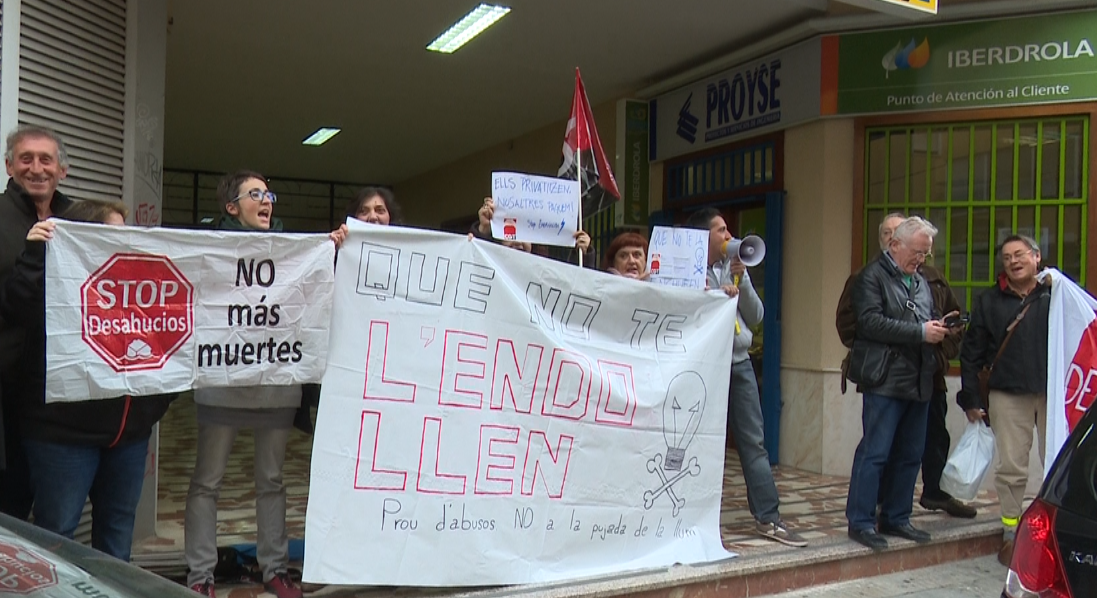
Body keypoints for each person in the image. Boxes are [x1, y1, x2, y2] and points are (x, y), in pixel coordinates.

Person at [185, 171, 346, 598]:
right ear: (232, 207)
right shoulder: (209, 249)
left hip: (276, 383)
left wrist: (331, 246)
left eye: (268, 194)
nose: (266, 201)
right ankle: (200, 575)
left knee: (272, 480)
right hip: (222, 382)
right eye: (255, 194)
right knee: (207, 481)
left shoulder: (294, 251)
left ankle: (274, 568)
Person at [0, 200, 175, 561]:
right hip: (62, 437)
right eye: (109, 234)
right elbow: (16, 308)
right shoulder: (51, 272)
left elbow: (174, 342)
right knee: (56, 535)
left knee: (117, 533)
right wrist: (36, 255)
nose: (121, 242)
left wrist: (154, 405)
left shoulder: (144, 285)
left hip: (128, 434)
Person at [836, 213, 974, 519]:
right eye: (916, 252)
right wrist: (921, 333)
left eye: (925, 253)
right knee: (875, 453)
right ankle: (861, 521)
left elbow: (925, 317)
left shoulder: (923, 280)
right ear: (895, 245)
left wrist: (939, 332)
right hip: (886, 378)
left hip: (921, 378)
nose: (921, 259)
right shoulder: (870, 277)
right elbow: (869, 323)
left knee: (911, 455)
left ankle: (898, 517)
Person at [684, 208, 806, 548]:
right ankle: (690, 517)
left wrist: (741, 280)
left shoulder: (735, 267)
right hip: (702, 364)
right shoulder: (685, 267)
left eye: (728, 230)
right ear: (702, 237)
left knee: (753, 441)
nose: (728, 235)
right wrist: (713, 294)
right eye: (720, 230)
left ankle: (769, 517)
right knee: (694, 440)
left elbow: (755, 316)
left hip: (738, 362)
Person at [958, 234, 1051, 566]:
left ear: (1036, 256)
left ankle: (1054, 531)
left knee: (1057, 466)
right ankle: (1011, 532)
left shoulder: (1056, 294)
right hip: (1007, 394)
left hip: (1052, 392)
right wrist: (969, 397)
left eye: (1020, 254)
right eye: (1007, 257)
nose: (1013, 261)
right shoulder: (988, 301)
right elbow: (971, 353)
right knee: (1011, 468)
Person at [0, 125, 74, 519]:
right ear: (9, 166)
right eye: (26, 159)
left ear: (62, 169)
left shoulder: (82, 221)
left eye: (46, 159)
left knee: (54, 512)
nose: (36, 168)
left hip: (61, 397)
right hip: (7, 394)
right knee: (9, 508)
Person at [473, 196, 591, 259]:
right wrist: (484, 230)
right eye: (511, 231)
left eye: (525, 233)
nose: (518, 241)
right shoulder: (492, 263)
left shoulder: (547, 272)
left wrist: (584, 254)